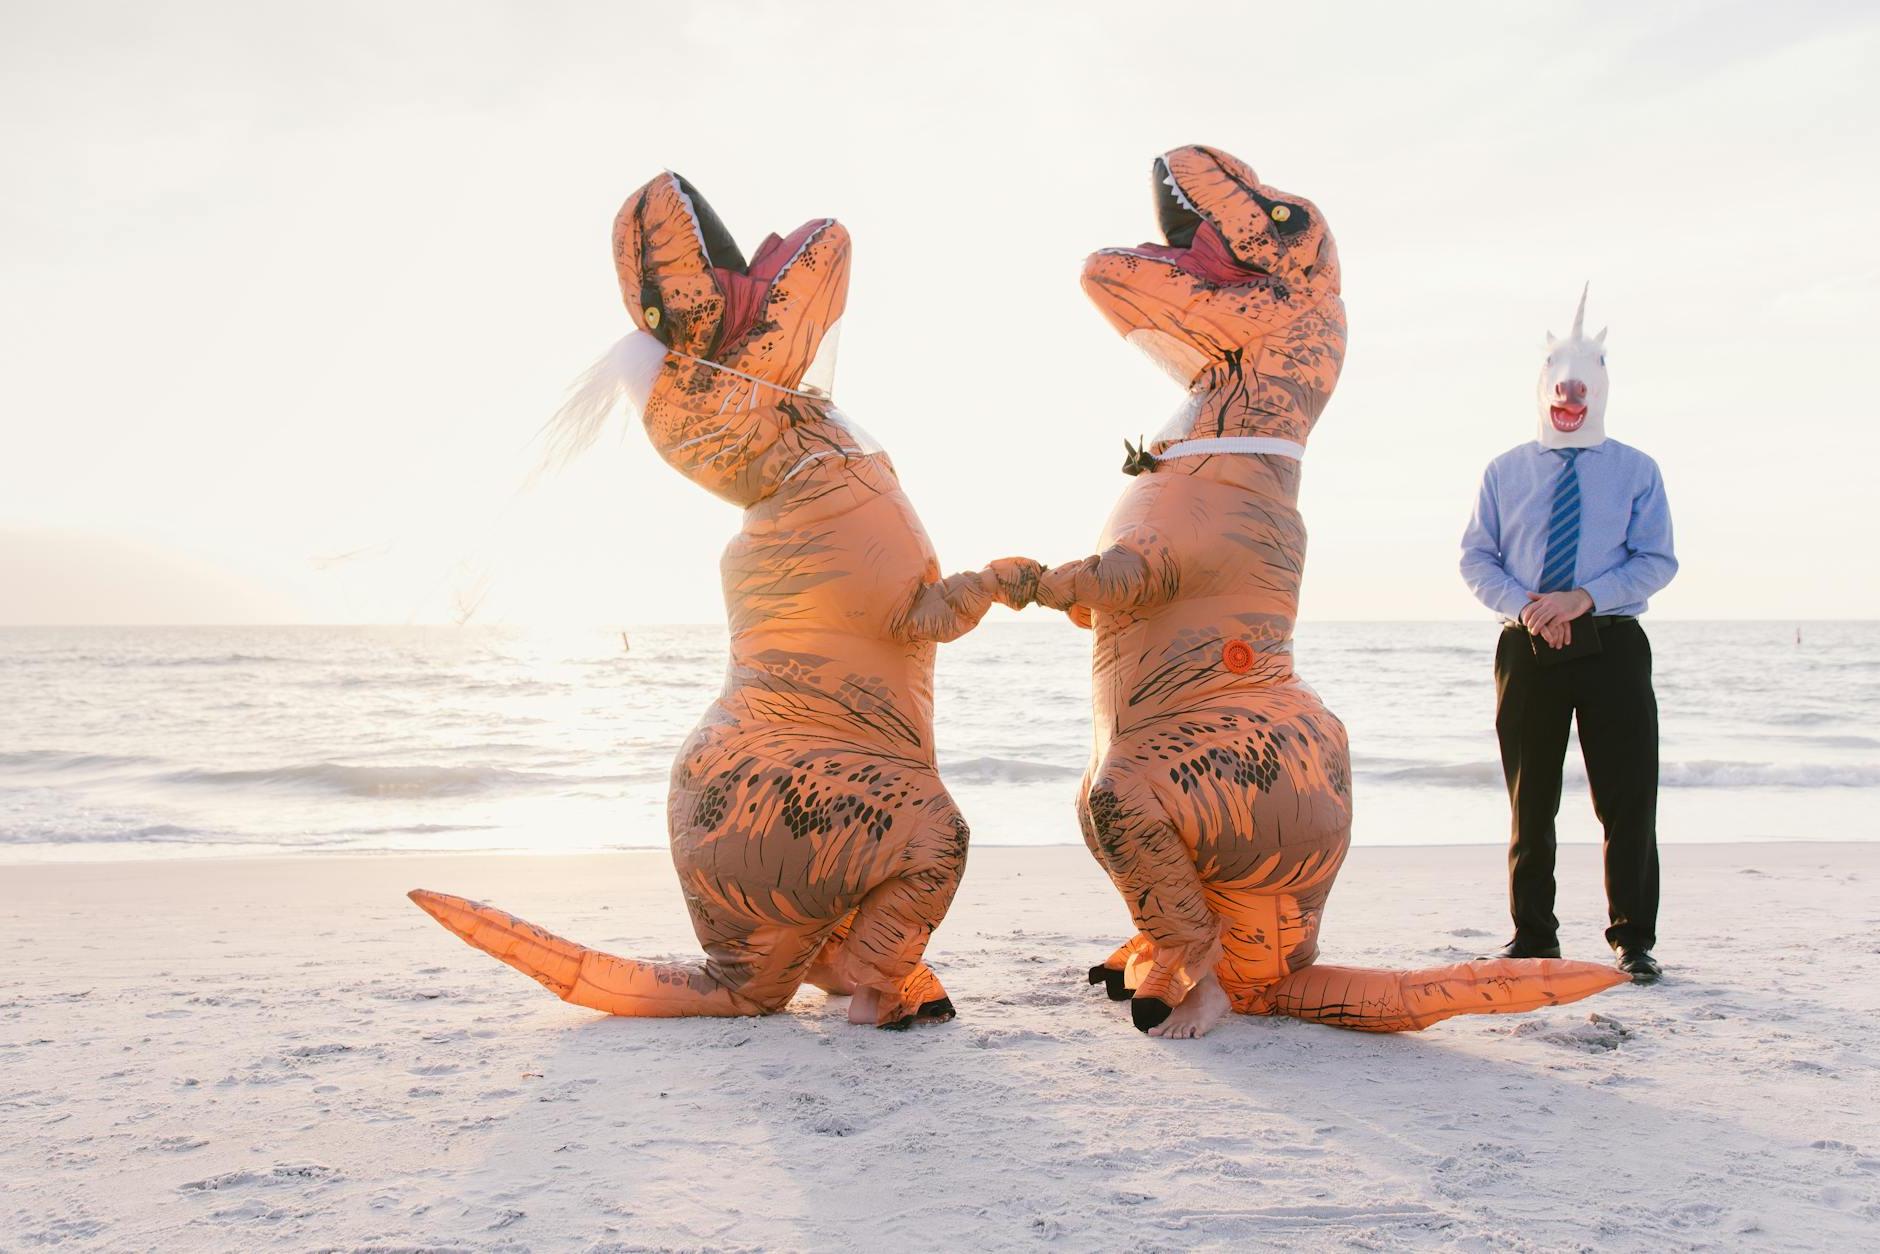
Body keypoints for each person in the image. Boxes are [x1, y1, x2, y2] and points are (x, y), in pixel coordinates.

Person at [1460, 286, 1678, 983]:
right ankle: (1534, 936)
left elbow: (1657, 559)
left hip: (1610, 644)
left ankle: (1633, 939)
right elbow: (1476, 557)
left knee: (1627, 798)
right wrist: (1531, 609)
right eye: (1560, 372)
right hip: (1526, 647)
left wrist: (1580, 598)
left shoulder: (1637, 471)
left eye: (1587, 374)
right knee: (1532, 801)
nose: (1573, 387)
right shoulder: (1503, 471)